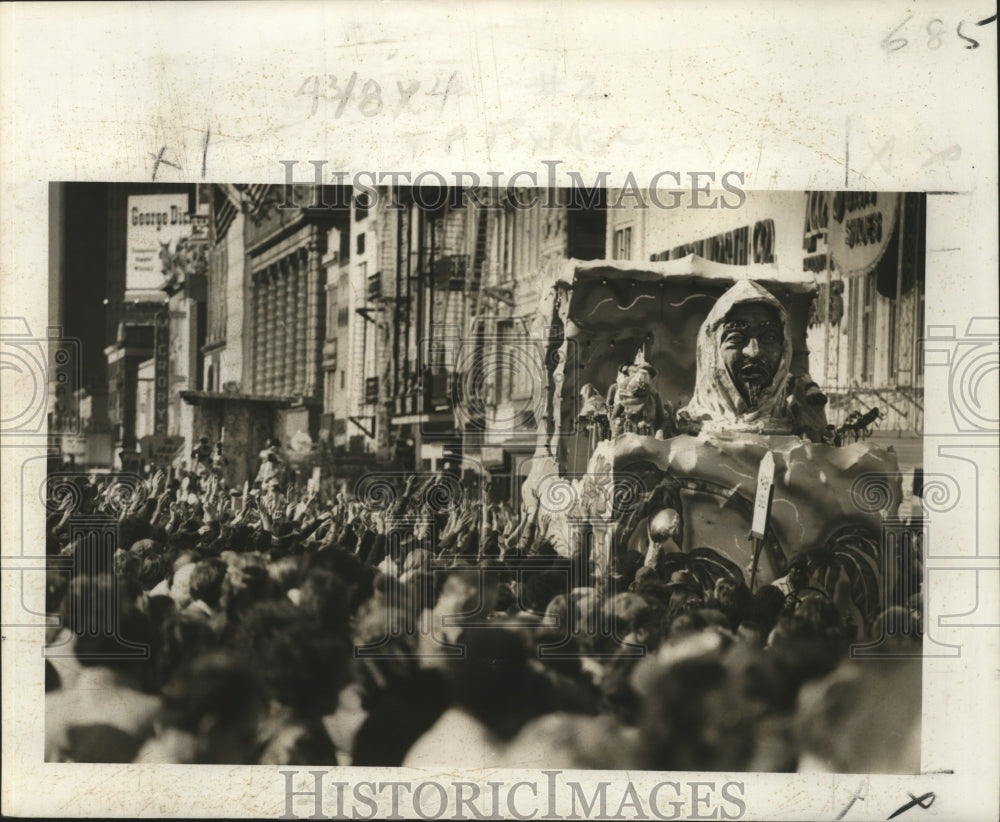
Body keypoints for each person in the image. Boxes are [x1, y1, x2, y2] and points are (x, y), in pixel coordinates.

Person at [677, 280, 827, 439]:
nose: (754, 352)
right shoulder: (684, 432)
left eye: (769, 337)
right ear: (712, 350)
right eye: (736, 338)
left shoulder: (804, 431)